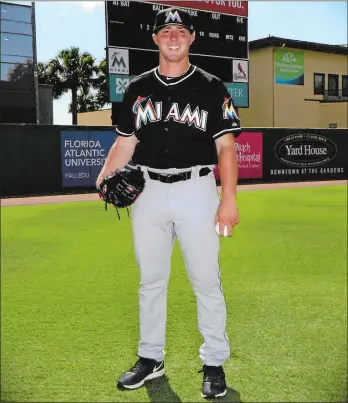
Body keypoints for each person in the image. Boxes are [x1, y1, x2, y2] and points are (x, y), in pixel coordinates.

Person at [96, 6, 241, 399]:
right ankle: (150, 358)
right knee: (151, 281)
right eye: (166, 31)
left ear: (192, 37)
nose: (173, 37)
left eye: (180, 30)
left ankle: (214, 362)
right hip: (148, 192)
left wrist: (227, 199)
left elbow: (226, 147)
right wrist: (106, 173)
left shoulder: (213, 87)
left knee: (206, 280)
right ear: (155, 39)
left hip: (197, 189)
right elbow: (126, 141)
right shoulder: (137, 87)